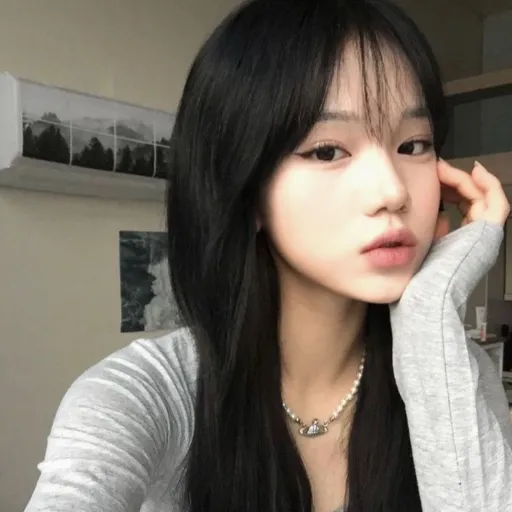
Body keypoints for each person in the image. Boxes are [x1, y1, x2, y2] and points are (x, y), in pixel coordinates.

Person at [24, 0, 512, 511]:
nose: (392, 191)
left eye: (413, 145)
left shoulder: (455, 370)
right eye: (327, 151)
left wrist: (429, 316)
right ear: (248, 187)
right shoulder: (146, 392)